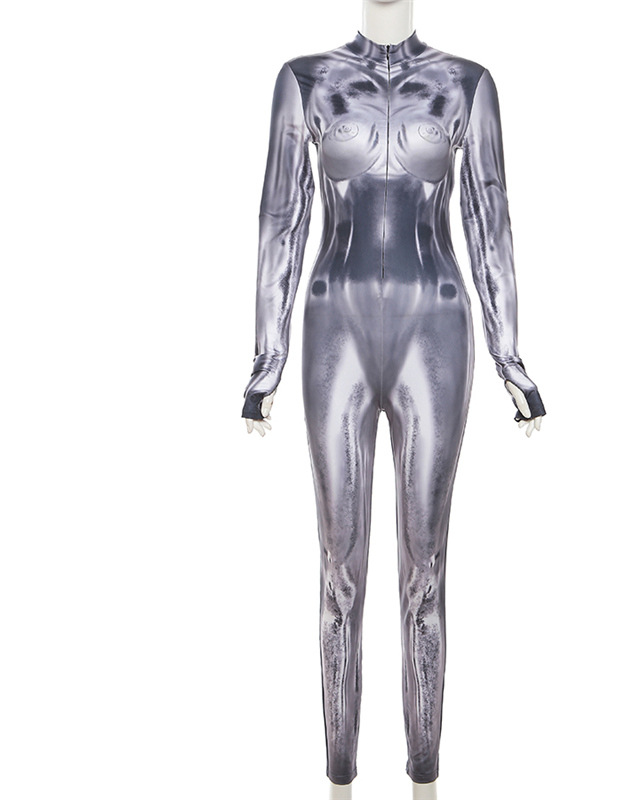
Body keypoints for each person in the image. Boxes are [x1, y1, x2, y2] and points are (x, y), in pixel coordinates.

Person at [241, 10, 546, 800]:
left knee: (426, 573)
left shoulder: (465, 84)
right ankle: (339, 782)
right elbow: (281, 221)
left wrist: (511, 358)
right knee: (338, 573)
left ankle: (424, 783)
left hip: (434, 333)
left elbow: (489, 222)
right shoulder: (306, 80)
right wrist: (266, 364)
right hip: (334, 331)